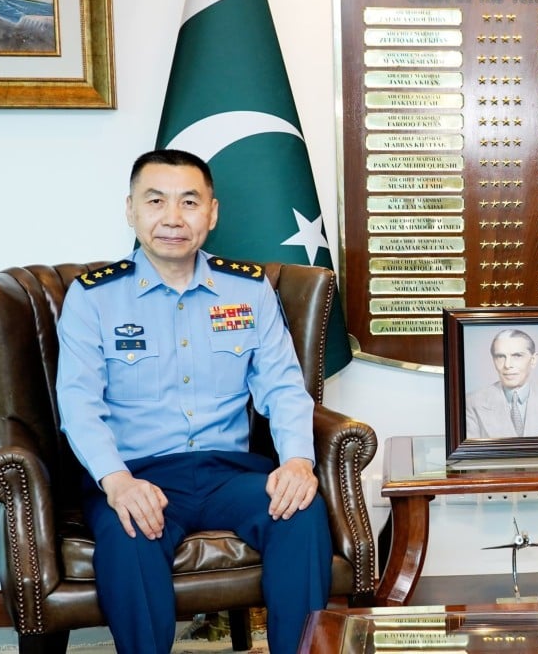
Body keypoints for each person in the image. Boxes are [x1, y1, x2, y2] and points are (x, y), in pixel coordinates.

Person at [56, 149, 332, 654]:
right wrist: (116, 481)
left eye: (189, 201)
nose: (173, 218)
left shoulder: (247, 291)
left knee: (301, 509)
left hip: (228, 472)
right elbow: (77, 402)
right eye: (156, 201)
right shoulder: (93, 297)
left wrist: (297, 461)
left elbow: (284, 387)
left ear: (212, 212)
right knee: (129, 531)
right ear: (131, 210)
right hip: (139, 473)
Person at [465, 328, 538, 438]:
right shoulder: (472, 403)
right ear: (493, 360)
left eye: (517, 356)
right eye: (500, 356)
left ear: (533, 360)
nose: (507, 365)